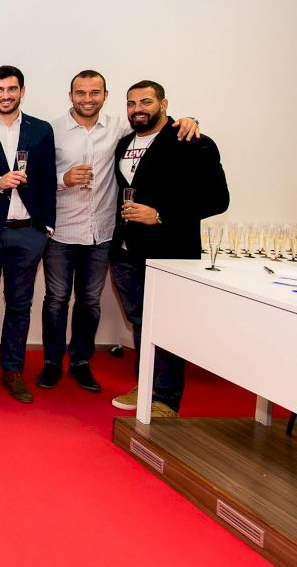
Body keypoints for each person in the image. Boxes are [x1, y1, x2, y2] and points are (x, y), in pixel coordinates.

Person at [40, 71, 199, 394]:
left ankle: (80, 362)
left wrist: (189, 120)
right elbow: (40, 177)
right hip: (62, 232)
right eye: (81, 93)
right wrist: (63, 179)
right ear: (70, 96)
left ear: (105, 95)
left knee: (90, 302)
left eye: (94, 93)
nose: (87, 99)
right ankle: (52, 362)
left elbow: (156, 129)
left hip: (102, 234)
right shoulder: (52, 130)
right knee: (56, 300)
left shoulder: (121, 129)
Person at [109, 81, 228, 416]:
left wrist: (160, 215)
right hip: (126, 250)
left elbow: (218, 199)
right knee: (141, 322)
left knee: (167, 324)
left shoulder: (191, 141)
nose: (138, 109)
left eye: (146, 102)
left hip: (169, 252)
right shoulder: (124, 144)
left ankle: (166, 398)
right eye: (131, 103)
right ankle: (145, 383)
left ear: (164, 104)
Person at [0, 65, 55, 404]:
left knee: (20, 305)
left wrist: (46, 227)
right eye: (0, 89)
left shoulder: (41, 130)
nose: (5, 95)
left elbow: (48, 179)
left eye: (12, 89)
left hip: (29, 232)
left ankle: (13, 370)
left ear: (22, 91)